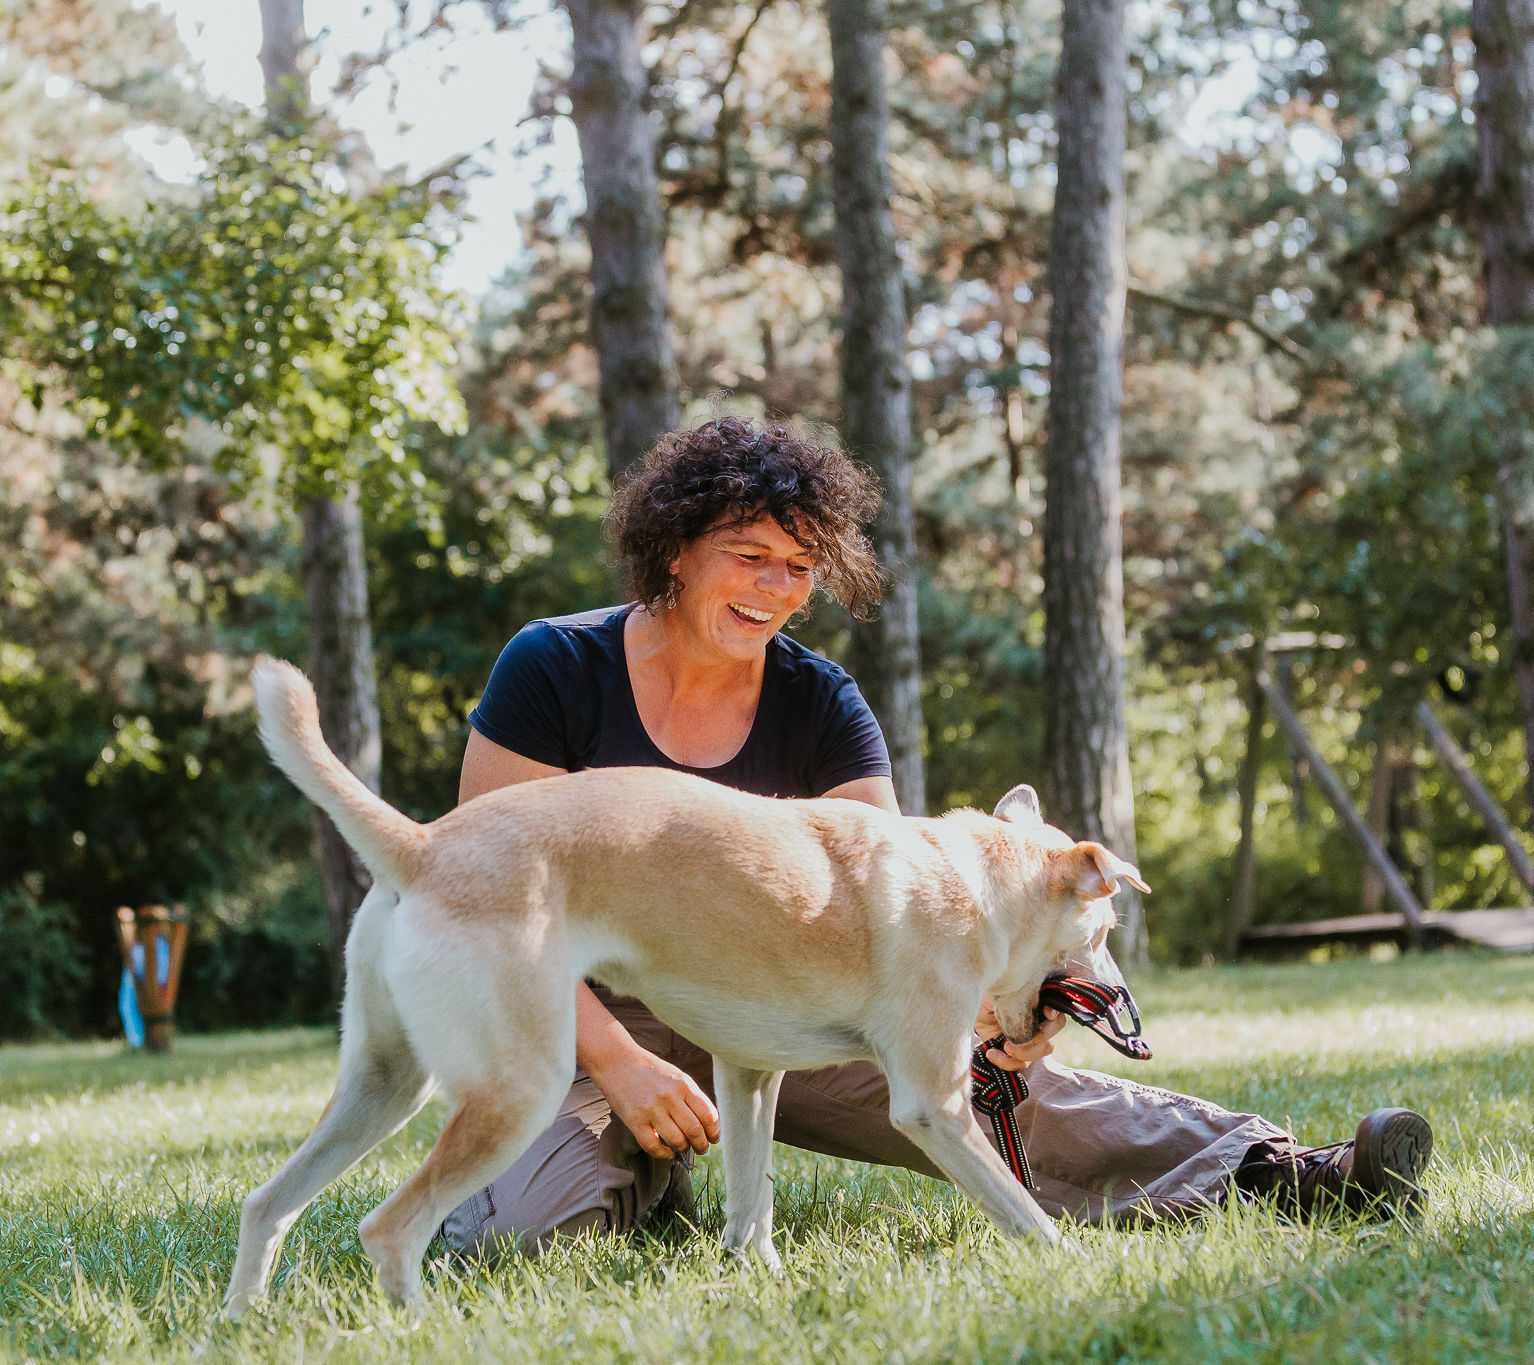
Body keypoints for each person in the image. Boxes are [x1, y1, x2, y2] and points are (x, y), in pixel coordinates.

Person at [440, 416, 1432, 1254]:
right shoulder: (553, 667)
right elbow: (486, 908)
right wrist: (618, 1060)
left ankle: (1285, 1171)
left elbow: (903, 921)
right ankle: (633, 1179)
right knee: (526, 1232)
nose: (774, 586)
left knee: (985, 1093)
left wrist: (998, 1014)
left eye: (799, 566)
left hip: (781, 998)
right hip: (567, 1014)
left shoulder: (822, 703)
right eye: (747, 555)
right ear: (674, 548)